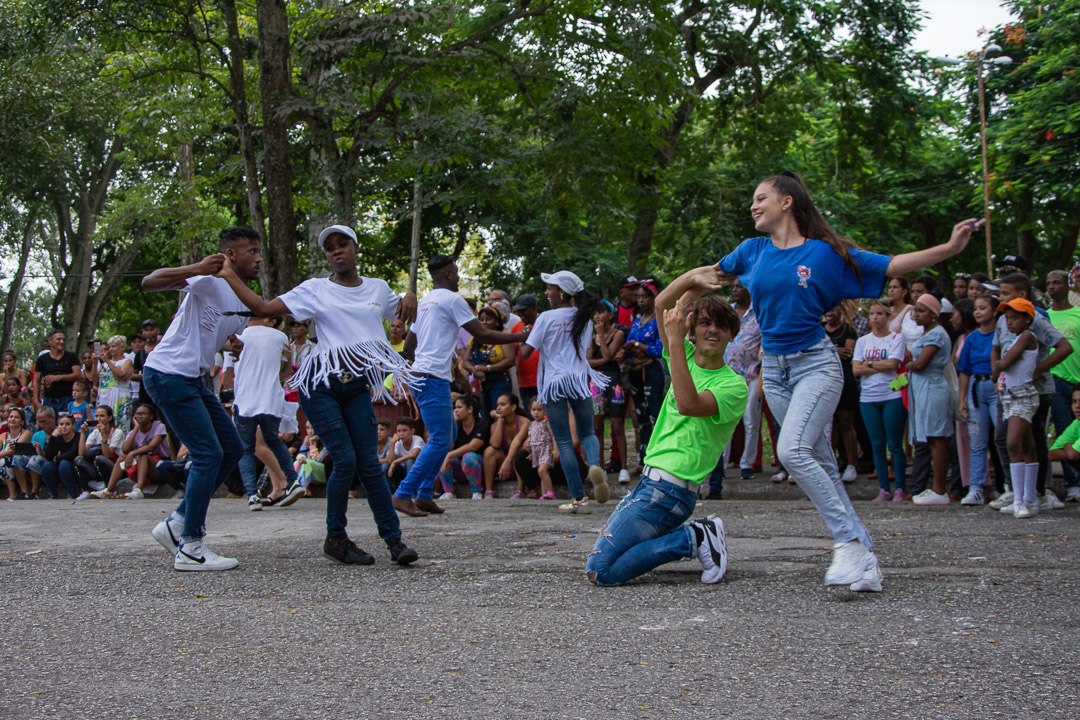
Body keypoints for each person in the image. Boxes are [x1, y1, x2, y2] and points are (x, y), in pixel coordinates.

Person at [715, 170, 981, 589]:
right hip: (776, 372)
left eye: (760, 197)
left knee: (793, 452)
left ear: (787, 202)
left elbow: (892, 265)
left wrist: (949, 248)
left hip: (816, 366)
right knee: (818, 460)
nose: (753, 205)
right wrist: (670, 297)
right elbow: (707, 275)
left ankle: (848, 542)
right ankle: (866, 558)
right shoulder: (752, 251)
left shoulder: (824, 255)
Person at [218, 223, 419, 567]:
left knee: (370, 465)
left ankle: (395, 542)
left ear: (356, 248)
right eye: (330, 248)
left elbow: (404, 313)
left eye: (343, 244)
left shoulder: (378, 288)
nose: (337, 251)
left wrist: (411, 294)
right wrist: (227, 275)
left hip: (356, 386)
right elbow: (265, 309)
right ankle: (336, 538)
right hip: (321, 387)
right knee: (346, 461)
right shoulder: (314, 289)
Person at [585, 270, 746, 587]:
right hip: (652, 485)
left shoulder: (733, 386)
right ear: (693, 330)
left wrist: (673, 340)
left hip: (670, 492)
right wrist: (692, 280)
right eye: (704, 323)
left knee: (600, 570)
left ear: (732, 334)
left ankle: (693, 538)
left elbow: (688, 404)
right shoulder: (683, 355)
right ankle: (696, 536)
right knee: (604, 564)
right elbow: (660, 305)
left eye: (721, 325)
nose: (712, 330)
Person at [139, 228, 259, 571]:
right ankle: (190, 546)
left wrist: (228, 343)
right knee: (208, 454)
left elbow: (206, 329)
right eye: (251, 250)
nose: (259, 257)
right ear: (231, 255)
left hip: (192, 379)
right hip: (168, 373)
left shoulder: (239, 298)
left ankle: (176, 523)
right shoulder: (208, 280)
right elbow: (150, 281)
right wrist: (196, 267)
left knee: (232, 448)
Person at [394, 255, 525, 515]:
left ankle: (423, 495)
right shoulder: (453, 299)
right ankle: (403, 493)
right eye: (455, 273)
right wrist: (523, 336)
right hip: (432, 376)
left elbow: (409, 347)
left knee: (447, 437)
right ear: (445, 275)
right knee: (442, 437)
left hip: (425, 374)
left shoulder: (425, 303)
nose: (458, 278)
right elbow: (483, 334)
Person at [518, 270, 610, 514]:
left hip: (554, 383)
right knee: (588, 433)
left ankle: (579, 498)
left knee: (564, 443)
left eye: (549, 288)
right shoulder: (585, 318)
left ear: (562, 291)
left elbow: (526, 353)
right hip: (579, 380)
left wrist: (524, 338)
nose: (547, 293)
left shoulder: (547, 318)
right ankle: (595, 467)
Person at [991, 273, 1071, 511]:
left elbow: (1064, 347)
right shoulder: (1003, 320)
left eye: (1005, 293)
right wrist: (997, 375)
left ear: (1022, 295)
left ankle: (1037, 491)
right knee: (1007, 439)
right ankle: (1017, 490)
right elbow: (996, 349)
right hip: (1009, 389)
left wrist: (1038, 369)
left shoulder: (1035, 321)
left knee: (1031, 439)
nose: (1000, 298)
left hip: (1033, 390)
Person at [233, 315, 303, 511]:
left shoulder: (241, 335)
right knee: (273, 440)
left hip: (246, 399)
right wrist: (288, 360)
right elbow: (284, 375)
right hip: (270, 399)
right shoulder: (280, 337)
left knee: (246, 448)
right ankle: (293, 481)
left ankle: (252, 495)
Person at [852, 300, 906, 502]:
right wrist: (877, 366)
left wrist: (870, 363)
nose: (875, 317)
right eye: (872, 314)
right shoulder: (863, 341)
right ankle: (884, 488)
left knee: (895, 444)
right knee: (877, 444)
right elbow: (856, 369)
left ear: (888, 316)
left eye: (880, 314)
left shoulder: (896, 339)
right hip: (868, 397)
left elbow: (893, 363)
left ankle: (900, 487)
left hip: (891, 394)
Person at [993, 297, 1040, 517]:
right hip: (1010, 396)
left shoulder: (1027, 337)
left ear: (1027, 319)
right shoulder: (1014, 339)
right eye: (1007, 318)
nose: (1009, 323)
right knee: (1028, 446)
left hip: (1023, 396)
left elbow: (1005, 363)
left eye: (1015, 318)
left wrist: (996, 367)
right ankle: (1030, 497)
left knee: (1012, 443)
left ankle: (1019, 498)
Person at [907, 295, 955, 505]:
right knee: (929, 436)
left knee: (937, 437)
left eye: (922, 310)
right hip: (922, 388)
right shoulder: (926, 334)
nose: (916, 314)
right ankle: (935, 487)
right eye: (915, 310)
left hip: (933, 388)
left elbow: (921, 364)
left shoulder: (936, 335)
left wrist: (909, 366)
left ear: (934, 314)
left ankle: (939, 489)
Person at [957, 294, 999, 506]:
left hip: (996, 387)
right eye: (976, 308)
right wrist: (962, 399)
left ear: (994, 311)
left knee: (1002, 438)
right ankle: (976, 487)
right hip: (976, 388)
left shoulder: (1001, 334)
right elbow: (964, 370)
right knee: (976, 441)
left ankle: (1007, 486)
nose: (978, 312)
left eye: (983, 308)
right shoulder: (972, 338)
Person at [723, 279, 762, 483]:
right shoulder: (727, 312)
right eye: (734, 286)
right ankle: (720, 463)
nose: (735, 289)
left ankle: (747, 463)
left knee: (750, 420)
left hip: (751, 374)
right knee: (725, 420)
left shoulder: (759, 313)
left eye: (740, 286)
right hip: (726, 375)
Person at [1045, 269, 1080, 501]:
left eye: (1056, 283)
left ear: (1067, 285)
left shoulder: (1078, 314)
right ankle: (1074, 483)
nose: (1051, 287)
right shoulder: (1044, 317)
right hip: (1056, 380)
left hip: (1078, 380)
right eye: (1048, 283)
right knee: (1064, 428)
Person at [588, 300, 629, 484]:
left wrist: (602, 338)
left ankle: (624, 468)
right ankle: (600, 467)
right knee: (597, 427)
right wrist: (604, 360)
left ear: (610, 315)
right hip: (596, 381)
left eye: (601, 312)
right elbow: (588, 361)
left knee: (617, 426)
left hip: (614, 381)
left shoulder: (618, 334)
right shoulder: (591, 336)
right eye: (595, 313)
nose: (597, 317)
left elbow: (608, 355)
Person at [92, 403, 170, 499]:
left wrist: (133, 453)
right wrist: (136, 428)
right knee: (122, 457)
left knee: (143, 455)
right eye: (137, 414)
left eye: (143, 414)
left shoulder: (158, 426)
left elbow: (152, 446)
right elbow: (125, 449)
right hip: (142, 466)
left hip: (160, 465)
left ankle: (139, 490)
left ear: (151, 416)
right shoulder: (134, 431)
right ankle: (108, 490)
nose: (139, 417)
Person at [625, 279, 665, 462]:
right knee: (640, 417)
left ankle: (659, 459)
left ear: (654, 297)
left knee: (654, 415)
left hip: (652, 373)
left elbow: (659, 351)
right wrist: (636, 347)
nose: (640, 300)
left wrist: (636, 345)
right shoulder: (637, 321)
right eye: (638, 297)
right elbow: (628, 346)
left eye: (644, 296)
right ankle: (643, 460)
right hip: (635, 373)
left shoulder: (659, 321)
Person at [823, 305, 859, 483]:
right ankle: (832, 462)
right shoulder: (820, 330)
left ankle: (852, 463)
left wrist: (828, 353)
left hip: (844, 379)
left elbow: (847, 354)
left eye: (832, 310)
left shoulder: (848, 330)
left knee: (845, 421)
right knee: (830, 424)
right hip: (823, 380)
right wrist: (835, 351)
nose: (829, 313)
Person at [462, 306, 517, 417]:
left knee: (499, 414)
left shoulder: (504, 337)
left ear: (497, 321)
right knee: (485, 416)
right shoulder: (474, 339)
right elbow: (465, 361)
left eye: (488, 319)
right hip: (481, 382)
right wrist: (475, 369)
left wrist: (487, 368)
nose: (484, 322)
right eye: (481, 320)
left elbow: (510, 360)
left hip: (500, 381)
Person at [437, 394, 489, 499]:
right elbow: (448, 448)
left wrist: (449, 455)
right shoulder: (457, 426)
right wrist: (454, 425)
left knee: (468, 457)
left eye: (459, 407)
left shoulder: (482, 425)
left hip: (477, 466)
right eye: (455, 408)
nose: (456, 411)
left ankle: (477, 491)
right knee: (441, 456)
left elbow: (473, 446)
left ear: (470, 409)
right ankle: (449, 491)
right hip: (459, 467)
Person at [485, 392, 530, 499]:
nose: (499, 408)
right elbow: (495, 444)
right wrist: (500, 420)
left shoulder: (524, 422)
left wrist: (508, 460)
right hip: (504, 466)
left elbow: (517, 441)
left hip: (520, 464)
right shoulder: (494, 425)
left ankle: (520, 491)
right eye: (497, 405)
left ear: (513, 407)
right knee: (489, 451)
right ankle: (489, 491)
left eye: (503, 404)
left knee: (519, 451)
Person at [74, 405, 124, 499]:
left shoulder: (117, 432)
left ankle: (108, 488)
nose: (98, 419)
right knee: (78, 460)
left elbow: (108, 455)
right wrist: (83, 434)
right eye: (96, 416)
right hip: (97, 468)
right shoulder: (95, 432)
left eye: (102, 416)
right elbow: (81, 453)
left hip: (115, 467)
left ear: (109, 418)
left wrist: (104, 435)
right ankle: (86, 490)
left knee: (100, 459)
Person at [33, 330, 82, 416]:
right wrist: (36, 401)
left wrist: (59, 377)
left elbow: (78, 375)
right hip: (49, 399)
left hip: (68, 398)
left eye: (63, 339)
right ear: (50, 341)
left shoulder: (71, 356)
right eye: (58, 339)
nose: (61, 342)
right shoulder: (42, 359)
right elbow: (36, 381)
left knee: (66, 425)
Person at [91, 335, 134, 430]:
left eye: (113, 346)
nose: (111, 349)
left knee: (119, 425)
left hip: (119, 397)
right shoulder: (104, 364)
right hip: (104, 396)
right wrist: (94, 363)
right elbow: (94, 378)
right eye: (109, 347)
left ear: (122, 347)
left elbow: (121, 375)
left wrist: (107, 361)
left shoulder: (127, 361)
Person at [40, 412, 81, 499]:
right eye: (61, 424)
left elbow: (73, 452)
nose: (64, 427)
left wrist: (58, 458)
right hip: (61, 465)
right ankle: (52, 494)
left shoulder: (78, 436)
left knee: (64, 463)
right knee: (47, 466)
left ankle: (71, 493)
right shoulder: (58, 438)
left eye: (67, 424)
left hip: (74, 466)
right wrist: (52, 437)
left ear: (73, 425)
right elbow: (49, 456)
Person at [511, 294, 541, 409]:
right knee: (532, 418)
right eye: (519, 311)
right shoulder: (516, 327)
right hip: (524, 382)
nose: (521, 314)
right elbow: (513, 353)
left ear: (534, 309)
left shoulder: (543, 324)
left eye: (524, 310)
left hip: (544, 380)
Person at [524, 399, 556, 499]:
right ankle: (544, 493)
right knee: (542, 472)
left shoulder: (546, 423)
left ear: (545, 411)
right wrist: (531, 451)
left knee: (542, 470)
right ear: (530, 410)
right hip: (537, 452)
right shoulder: (532, 424)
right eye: (534, 410)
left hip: (546, 450)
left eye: (539, 409)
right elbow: (532, 439)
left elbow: (553, 436)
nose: (536, 412)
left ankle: (550, 492)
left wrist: (555, 449)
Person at [1, 407, 32, 500]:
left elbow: (14, 450)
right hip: (7, 462)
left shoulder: (26, 433)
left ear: (22, 422)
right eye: (11, 417)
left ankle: (13, 493)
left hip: (22, 464)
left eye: (16, 417)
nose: (13, 419)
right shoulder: (3, 436)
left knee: (3, 461)